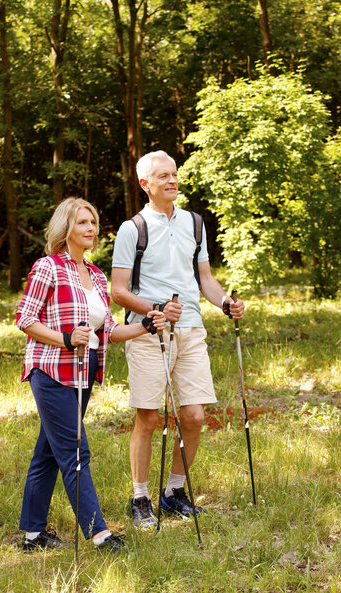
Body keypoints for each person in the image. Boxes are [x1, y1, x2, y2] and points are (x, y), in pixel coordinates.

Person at [16, 196, 165, 552]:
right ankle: (100, 535)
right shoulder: (48, 267)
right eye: (83, 222)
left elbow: (108, 330)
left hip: (85, 372)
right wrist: (65, 339)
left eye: (94, 223)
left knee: (49, 453)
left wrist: (145, 325)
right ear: (66, 227)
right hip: (51, 370)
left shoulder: (96, 275)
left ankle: (33, 535)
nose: (91, 229)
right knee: (75, 451)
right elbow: (26, 319)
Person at [111, 150, 245, 529]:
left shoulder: (195, 223)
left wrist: (224, 302)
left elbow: (204, 277)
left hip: (191, 330)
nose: (172, 180)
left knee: (194, 415)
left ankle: (173, 493)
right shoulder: (131, 229)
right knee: (149, 418)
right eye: (163, 176)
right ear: (145, 184)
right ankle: (139, 498)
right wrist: (155, 308)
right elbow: (118, 290)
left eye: (174, 174)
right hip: (149, 331)